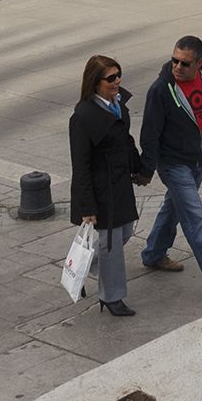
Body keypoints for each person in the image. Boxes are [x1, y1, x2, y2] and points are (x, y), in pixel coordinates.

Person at [138, 34, 202, 297]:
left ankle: (153, 254)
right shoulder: (160, 89)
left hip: (198, 159)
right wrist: (147, 168)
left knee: (173, 208)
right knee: (195, 218)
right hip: (173, 163)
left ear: (199, 63)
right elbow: (149, 132)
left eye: (184, 63)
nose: (177, 67)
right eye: (174, 60)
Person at [69, 54, 153, 317]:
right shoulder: (82, 117)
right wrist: (87, 206)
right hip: (100, 189)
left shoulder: (118, 105)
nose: (117, 81)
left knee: (125, 233)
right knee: (111, 245)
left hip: (120, 184)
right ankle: (112, 297)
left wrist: (138, 168)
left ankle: (82, 270)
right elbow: (79, 165)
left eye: (119, 76)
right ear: (95, 82)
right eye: (111, 78)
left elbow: (126, 140)